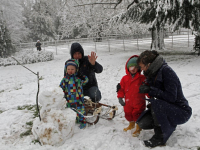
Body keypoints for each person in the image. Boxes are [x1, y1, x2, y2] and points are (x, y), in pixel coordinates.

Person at [136, 50, 192, 148]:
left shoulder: (167, 72)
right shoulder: (152, 73)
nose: (141, 70)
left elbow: (171, 97)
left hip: (181, 111)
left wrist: (151, 90)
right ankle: (169, 124)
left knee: (157, 104)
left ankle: (160, 138)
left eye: (142, 67)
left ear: (149, 64)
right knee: (143, 123)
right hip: (167, 108)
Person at [117, 55, 146, 137]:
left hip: (139, 102)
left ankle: (138, 127)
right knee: (128, 113)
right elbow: (121, 89)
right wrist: (120, 97)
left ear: (139, 68)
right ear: (128, 67)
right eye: (131, 67)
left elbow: (147, 89)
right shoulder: (124, 79)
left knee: (137, 114)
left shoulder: (142, 78)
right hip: (128, 102)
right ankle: (131, 124)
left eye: (136, 67)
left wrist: (149, 94)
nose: (133, 69)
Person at [60, 59, 89, 129]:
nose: (70, 70)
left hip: (78, 99)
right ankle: (73, 120)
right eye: (68, 69)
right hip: (69, 99)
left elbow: (85, 81)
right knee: (70, 111)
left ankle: (82, 122)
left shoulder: (78, 79)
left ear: (76, 69)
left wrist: (83, 76)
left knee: (81, 111)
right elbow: (61, 88)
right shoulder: (64, 79)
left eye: (72, 69)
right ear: (66, 69)